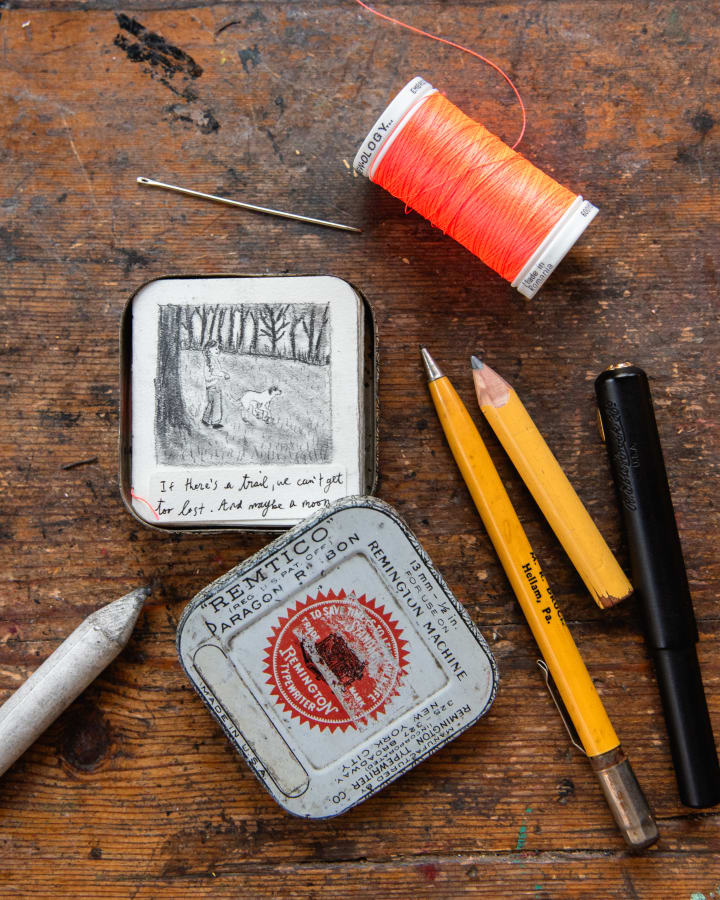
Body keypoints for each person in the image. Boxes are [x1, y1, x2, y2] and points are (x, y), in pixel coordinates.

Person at [201, 341, 230, 428]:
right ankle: (215, 422)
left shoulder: (214, 360)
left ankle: (205, 419)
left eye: (218, 349)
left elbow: (216, 372)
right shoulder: (209, 362)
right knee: (216, 404)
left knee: (211, 403)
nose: (218, 350)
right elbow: (208, 376)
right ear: (209, 350)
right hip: (213, 386)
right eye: (215, 349)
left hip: (214, 386)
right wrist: (222, 375)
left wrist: (223, 374)